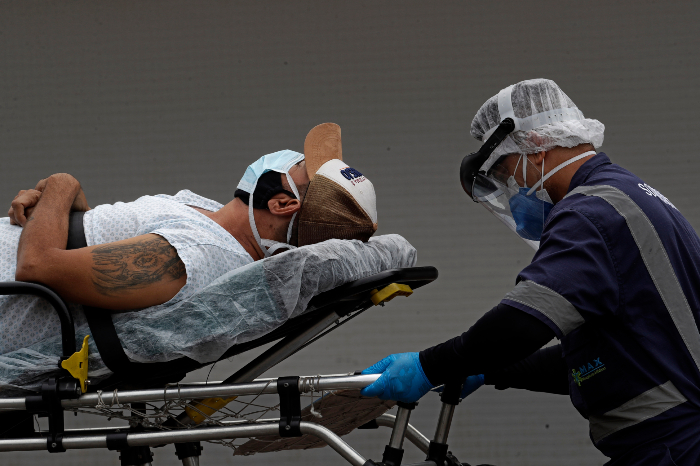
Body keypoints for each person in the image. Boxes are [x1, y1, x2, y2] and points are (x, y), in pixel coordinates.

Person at [361, 79, 700, 465]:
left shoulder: (590, 212)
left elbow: (522, 325)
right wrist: (486, 370)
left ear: (536, 148)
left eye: (505, 172)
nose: (511, 188)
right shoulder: (625, 195)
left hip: (676, 444)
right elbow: (596, 361)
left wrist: (428, 366)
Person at [0, 122, 378, 355]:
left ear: (282, 203)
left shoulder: (194, 254)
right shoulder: (207, 219)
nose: (291, 156)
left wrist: (62, 185)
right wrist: (59, 210)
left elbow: (38, 267)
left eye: (299, 165)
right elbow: (100, 242)